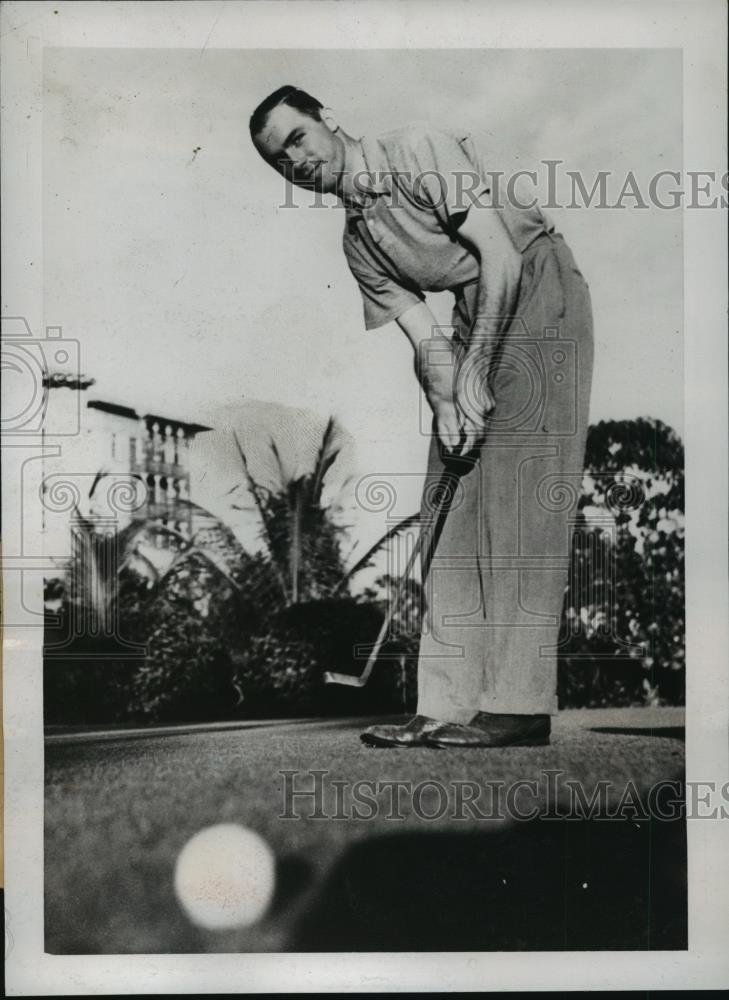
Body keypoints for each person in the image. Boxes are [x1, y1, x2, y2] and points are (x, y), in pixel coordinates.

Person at [250, 86, 594, 748]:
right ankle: (445, 703)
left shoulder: (413, 149)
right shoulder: (357, 245)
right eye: (276, 159)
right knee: (446, 497)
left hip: (537, 282)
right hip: (477, 311)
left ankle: (517, 705)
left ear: (329, 121)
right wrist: (446, 399)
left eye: (296, 138)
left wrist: (474, 371)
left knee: (518, 495)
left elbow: (498, 254)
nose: (292, 161)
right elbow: (426, 343)